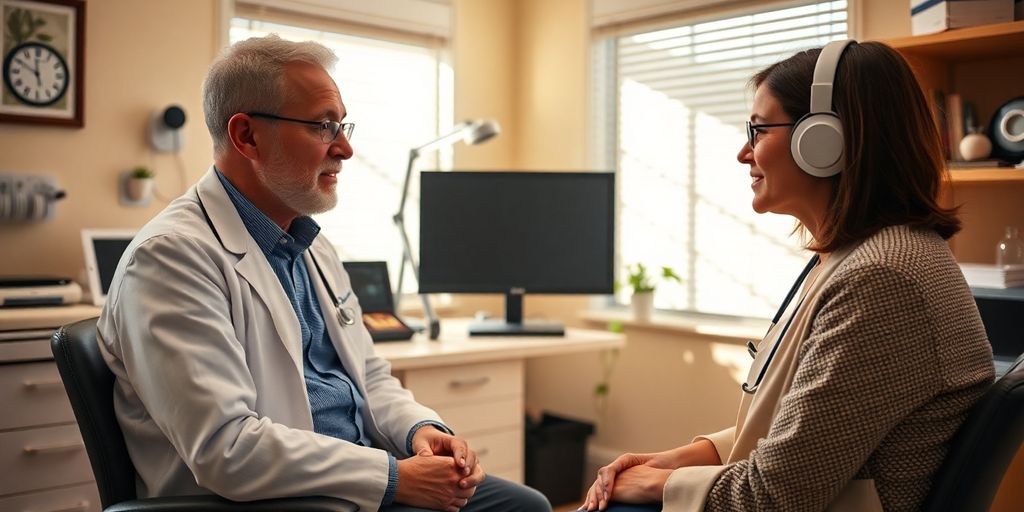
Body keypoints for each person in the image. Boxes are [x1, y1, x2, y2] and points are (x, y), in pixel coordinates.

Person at [96, 34, 550, 512]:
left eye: (342, 125)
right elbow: (226, 449)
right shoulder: (171, 259)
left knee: (527, 505)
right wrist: (393, 478)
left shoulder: (311, 245)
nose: (346, 148)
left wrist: (422, 430)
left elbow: (370, 377)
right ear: (246, 135)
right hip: (277, 501)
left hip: (355, 480)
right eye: (323, 127)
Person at [580, 40, 995, 511]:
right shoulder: (865, 258)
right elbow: (805, 431)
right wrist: (680, 459)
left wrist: (656, 486)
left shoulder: (882, 278)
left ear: (824, 140)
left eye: (758, 130)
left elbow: (775, 497)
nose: (743, 152)